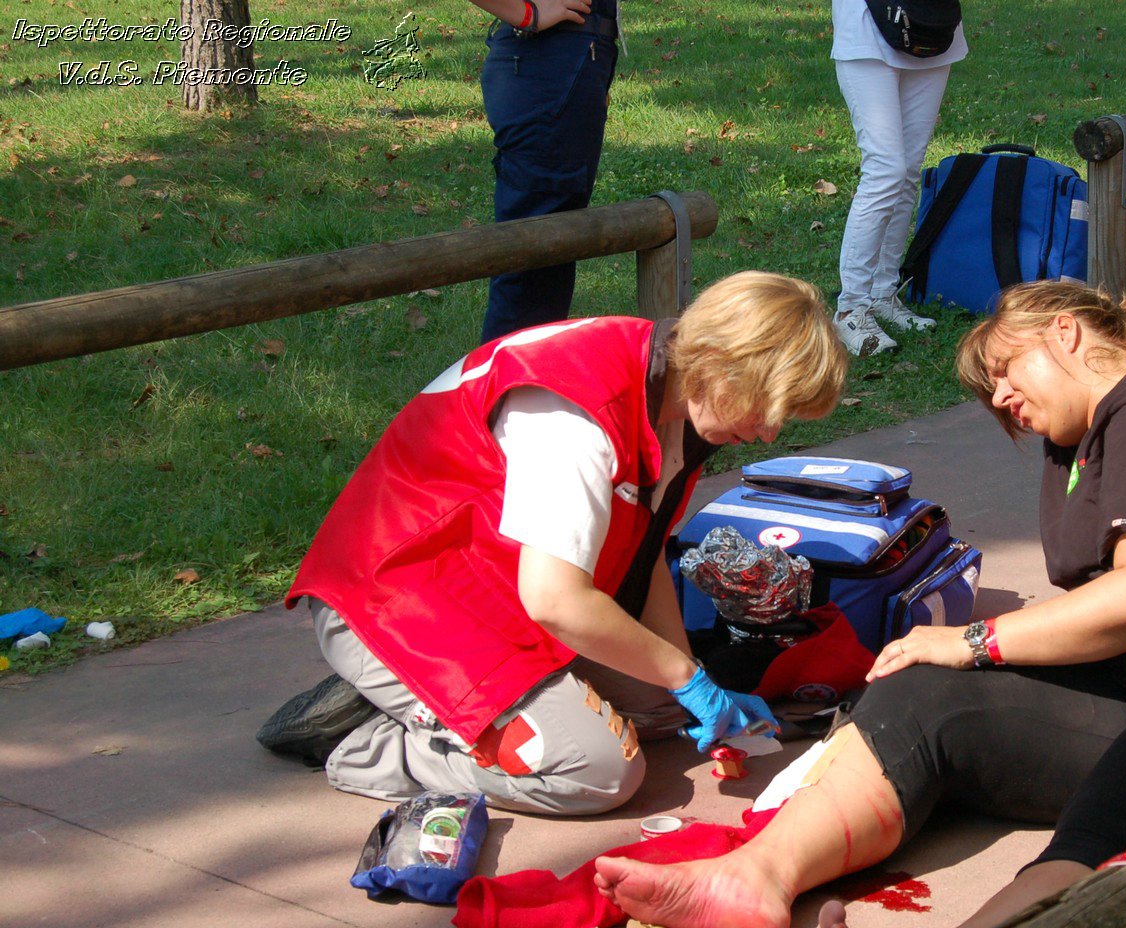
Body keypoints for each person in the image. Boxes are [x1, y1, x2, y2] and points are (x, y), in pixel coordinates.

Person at [593, 281, 1126, 928]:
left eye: (1006, 371)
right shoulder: (1080, 439)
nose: (1000, 399)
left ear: (1068, 333)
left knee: (1120, 808)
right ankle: (755, 875)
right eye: (989, 393)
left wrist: (977, 641)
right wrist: (959, 658)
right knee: (918, 691)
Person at [262, 273, 849, 815]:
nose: (769, 432)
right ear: (722, 362)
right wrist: (684, 675)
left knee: (661, 706)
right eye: (769, 409)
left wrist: (691, 680)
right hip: (395, 603)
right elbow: (556, 601)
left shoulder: (676, 390)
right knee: (597, 770)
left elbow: (643, 565)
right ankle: (370, 744)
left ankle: (440, 706)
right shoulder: (576, 408)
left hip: (497, 590)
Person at [467, 0, 619, 342]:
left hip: (565, 60)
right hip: (548, 64)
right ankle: (503, 391)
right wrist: (527, 12)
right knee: (533, 260)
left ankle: (523, 387)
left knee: (548, 259)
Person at [828, 0, 967, 357]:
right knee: (885, 170)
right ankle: (851, 309)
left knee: (906, 172)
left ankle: (882, 293)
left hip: (930, 26)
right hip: (866, 30)